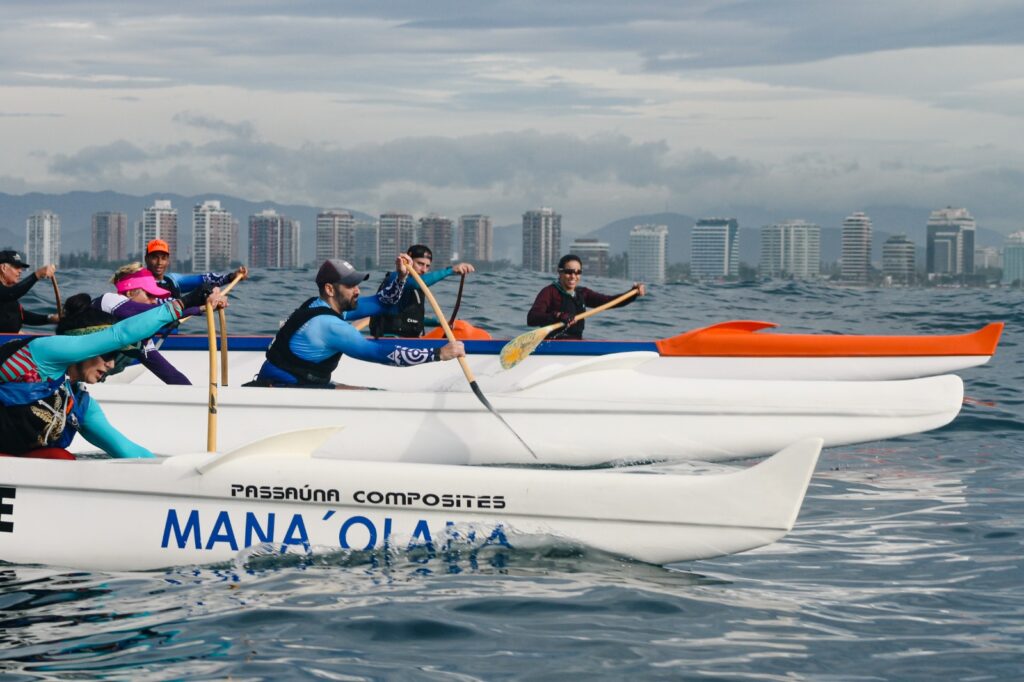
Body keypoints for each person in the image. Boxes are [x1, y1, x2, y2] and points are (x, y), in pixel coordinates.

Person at [0, 288, 228, 459]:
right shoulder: (44, 353)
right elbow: (121, 334)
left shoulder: (78, 405)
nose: (111, 365)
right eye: (108, 355)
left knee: (61, 460)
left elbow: (128, 451)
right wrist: (186, 302)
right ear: (88, 345)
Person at [248, 256, 465, 388]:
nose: (357, 290)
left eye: (357, 284)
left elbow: (383, 303)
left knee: (365, 392)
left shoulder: (320, 305)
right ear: (330, 289)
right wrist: (438, 354)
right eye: (350, 285)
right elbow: (378, 353)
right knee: (374, 396)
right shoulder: (328, 325)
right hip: (284, 391)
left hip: (295, 384)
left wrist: (400, 278)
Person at [90, 263, 212, 384]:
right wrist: (198, 307)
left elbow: (170, 374)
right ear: (129, 293)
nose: (154, 301)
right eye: (149, 295)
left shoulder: (139, 334)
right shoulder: (108, 300)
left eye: (156, 297)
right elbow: (156, 312)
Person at [527, 254, 646, 340]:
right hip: (553, 344)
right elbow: (532, 318)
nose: (573, 276)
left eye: (578, 272)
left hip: (577, 343)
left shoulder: (582, 294)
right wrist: (558, 315)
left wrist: (632, 293)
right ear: (560, 272)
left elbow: (609, 302)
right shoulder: (549, 292)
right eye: (569, 272)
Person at [369, 244, 475, 338]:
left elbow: (412, 319)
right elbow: (417, 283)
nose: (424, 270)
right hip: (389, 340)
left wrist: (440, 323)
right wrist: (451, 270)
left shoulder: (417, 287)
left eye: (427, 266)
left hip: (410, 341)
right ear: (408, 260)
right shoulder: (395, 278)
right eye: (420, 264)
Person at [144, 238, 248, 299]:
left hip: (172, 334)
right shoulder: (137, 283)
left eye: (163, 258)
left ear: (168, 261)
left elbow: (205, 279)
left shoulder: (172, 280)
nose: (159, 263)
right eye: (154, 258)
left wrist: (232, 276)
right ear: (146, 259)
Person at [0, 250, 59, 333]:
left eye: (21, 268)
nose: (20, 271)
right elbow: (11, 293)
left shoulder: (8, 294)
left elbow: (22, 316)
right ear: (3, 268)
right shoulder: (8, 293)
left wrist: (50, 318)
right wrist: (37, 275)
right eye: (16, 267)